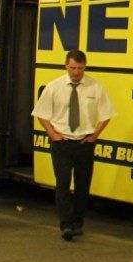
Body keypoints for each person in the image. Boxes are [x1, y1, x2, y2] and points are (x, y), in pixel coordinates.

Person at [32, 49, 116, 241]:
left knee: (82, 184)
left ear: (85, 66)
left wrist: (95, 135)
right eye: (72, 68)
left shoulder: (95, 88)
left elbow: (107, 114)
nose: (76, 72)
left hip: (84, 142)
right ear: (66, 66)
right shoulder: (54, 87)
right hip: (62, 141)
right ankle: (66, 224)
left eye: (79, 68)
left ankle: (78, 221)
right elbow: (41, 113)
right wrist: (52, 133)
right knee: (62, 184)